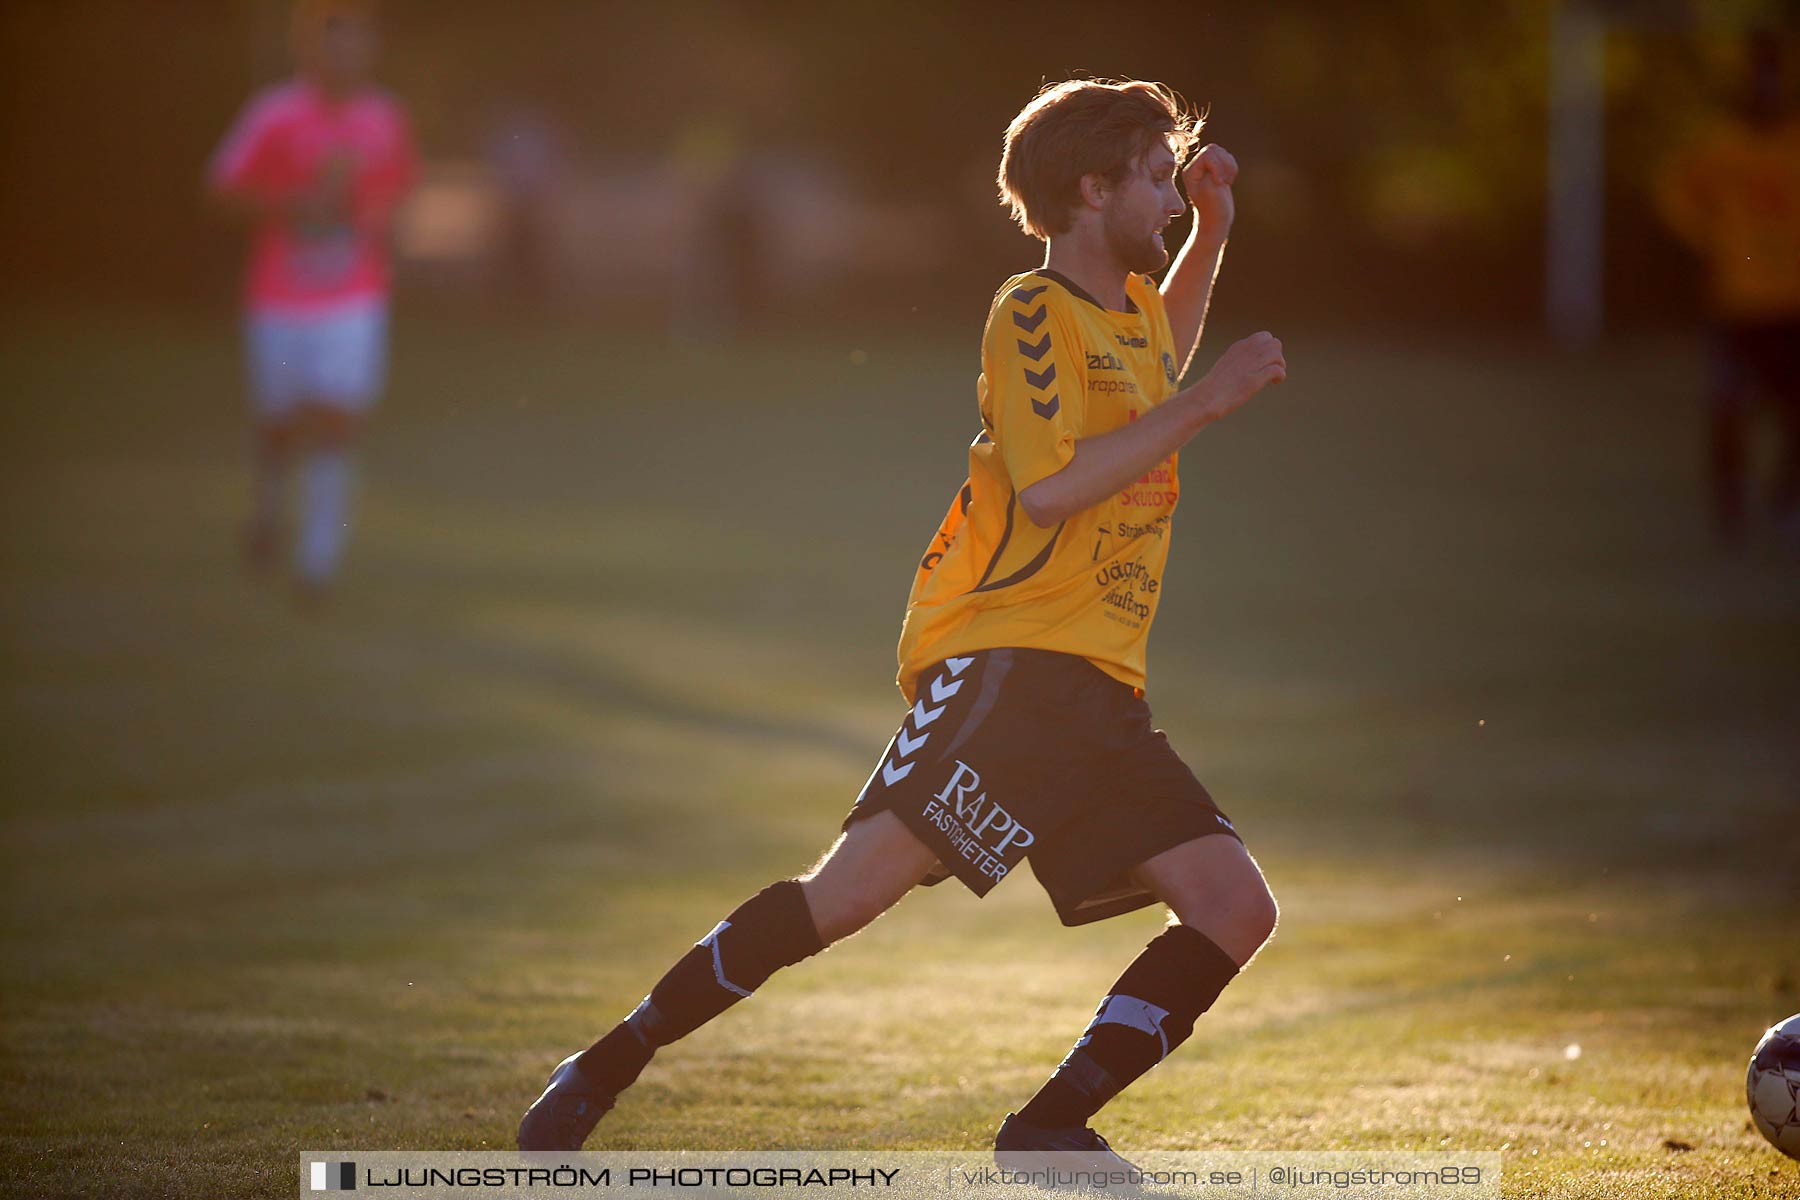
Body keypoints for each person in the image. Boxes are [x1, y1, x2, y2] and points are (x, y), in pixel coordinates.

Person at [519, 78, 1288, 1167]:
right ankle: (603, 1065)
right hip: (1010, 672)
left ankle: (1049, 1128)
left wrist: (1211, 229)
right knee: (843, 900)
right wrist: (1209, 402)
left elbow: (1161, 347)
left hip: (1102, 692)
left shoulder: (1123, 316)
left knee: (1231, 906)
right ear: (1090, 187)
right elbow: (1050, 491)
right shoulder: (1032, 311)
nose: (1171, 195)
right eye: (1158, 179)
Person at [207, 0, 417, 606]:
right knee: (278, 423)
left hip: (354, 297)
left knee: (337, 417)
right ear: (309, 50)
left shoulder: (385, 118)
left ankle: (319, 559)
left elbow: (400, 196)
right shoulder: (274, 114)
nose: (348, 55)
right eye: (335, 42)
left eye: (359, 42)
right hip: (279, 296)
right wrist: (290, 207)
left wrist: (377, 224)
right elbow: (222, 189)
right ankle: (270, 511)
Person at [1655, 31, 1800, 551]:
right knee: (1726, 407)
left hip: (1791, 305)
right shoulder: (1719, 145)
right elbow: (1675, 194)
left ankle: (1786, 501)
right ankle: (1729, 510)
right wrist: (1709, 238)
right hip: (1737, 304)